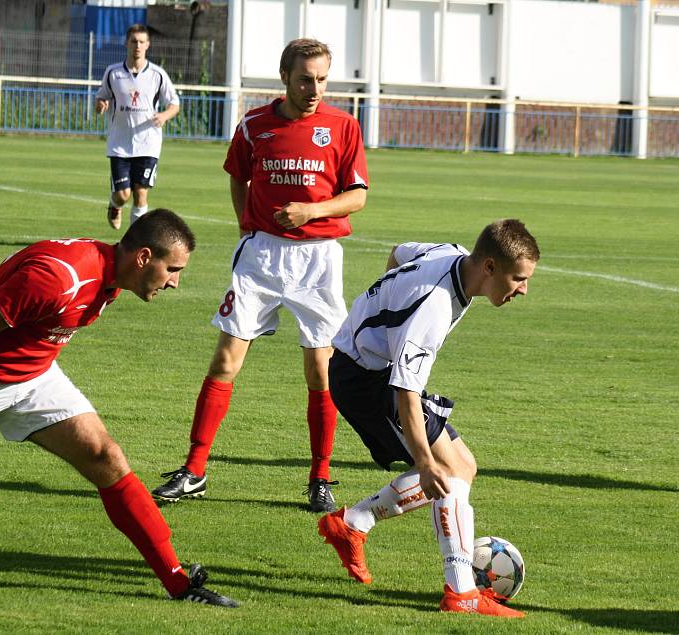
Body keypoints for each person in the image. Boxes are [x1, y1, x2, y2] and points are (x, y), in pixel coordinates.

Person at [0, 209, 237, 608]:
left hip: (34, 377)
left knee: (107, 456)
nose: (175, 281)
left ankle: (179, 583)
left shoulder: (112, 277)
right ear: (143, 258)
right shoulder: (60, 278)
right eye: (172, 268)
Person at [151, 38, 369, 513]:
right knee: (226, 360)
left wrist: (313, 211)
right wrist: (246, 224)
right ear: (285, 76)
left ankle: (320, 477)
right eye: (305, 78)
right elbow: (237, 174)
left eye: (322, 79)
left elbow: (357, 197)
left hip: (318, 259)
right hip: (262, 258)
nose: (314, 89)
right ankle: (194, 470)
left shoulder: (343, 126)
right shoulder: (254, 124)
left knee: (320, 370)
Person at [317, 219, 539, 617]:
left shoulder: (450, 253)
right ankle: (461, 593)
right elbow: (406, 391)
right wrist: (424, 463)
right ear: (489, 267)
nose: (523, 289)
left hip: (369, 369)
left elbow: (399, 253)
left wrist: (385, 306)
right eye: (517, 278)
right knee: (448, 472)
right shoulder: (432, 308)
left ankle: (353, 522)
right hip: (365, 382)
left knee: (463, 467)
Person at [96, 24, 181, 230]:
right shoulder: (113, 73)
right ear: (127, 43)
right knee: (123, 194)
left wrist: (164, 115)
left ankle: (134, 241)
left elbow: (174, 103)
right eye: (134, 41)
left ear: (148, 45)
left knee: (141, 192)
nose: (138, 46)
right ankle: (115, 205)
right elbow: (101, 97)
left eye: (142, 42)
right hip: (120, 143)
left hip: (148, 143)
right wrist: (100, 105)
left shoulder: (157, 74)